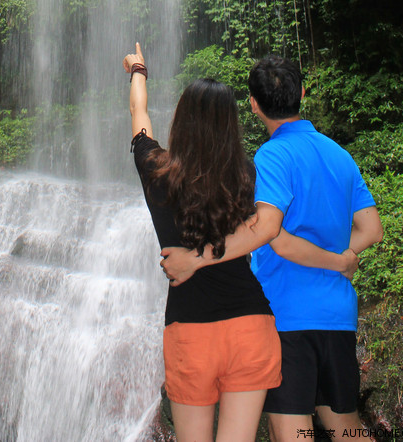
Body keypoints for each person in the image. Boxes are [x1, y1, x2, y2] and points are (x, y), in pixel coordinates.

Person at [161, 55, 384, 442]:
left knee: (291, 430)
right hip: (338, 314)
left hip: (289, 315)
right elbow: (372, 229)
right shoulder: (340, 155)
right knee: (346, 426)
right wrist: (342, 258)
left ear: (253, 104)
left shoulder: (270, 157)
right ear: (302, 92)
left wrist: (196, 260)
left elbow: (271, 235)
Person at [124, 41, 284, 442]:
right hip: (250, 324)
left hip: (191, 331)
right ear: (230, 123)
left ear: (182, 119)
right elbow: (262, 228)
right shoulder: (247, 175)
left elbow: (138, 113)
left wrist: (138, 70)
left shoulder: (158, 170)